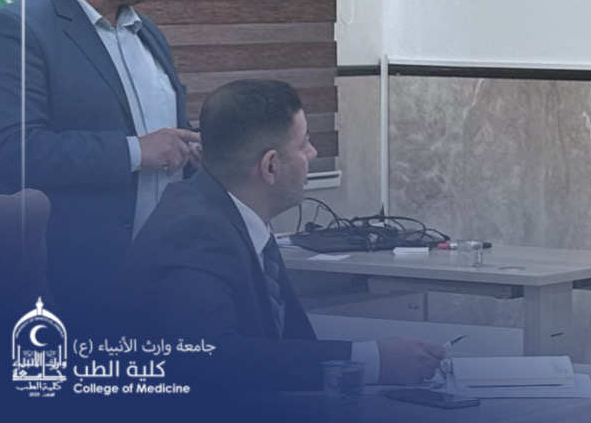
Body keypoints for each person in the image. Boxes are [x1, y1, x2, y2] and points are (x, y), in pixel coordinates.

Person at [117, 80, 444, 390]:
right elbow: (212, 358)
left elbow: (286, 342)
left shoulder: (233, 213)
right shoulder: (194, 232)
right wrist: (372, 361)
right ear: (270, 166)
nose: (313, 153)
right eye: (303, 145)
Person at [0, 0, 200, 325]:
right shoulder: (21, 30)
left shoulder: (148, 33)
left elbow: (166, 136)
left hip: (166, 272)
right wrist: (136, 151)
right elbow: (13, 152)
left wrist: (194, 148)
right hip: (75, 281)